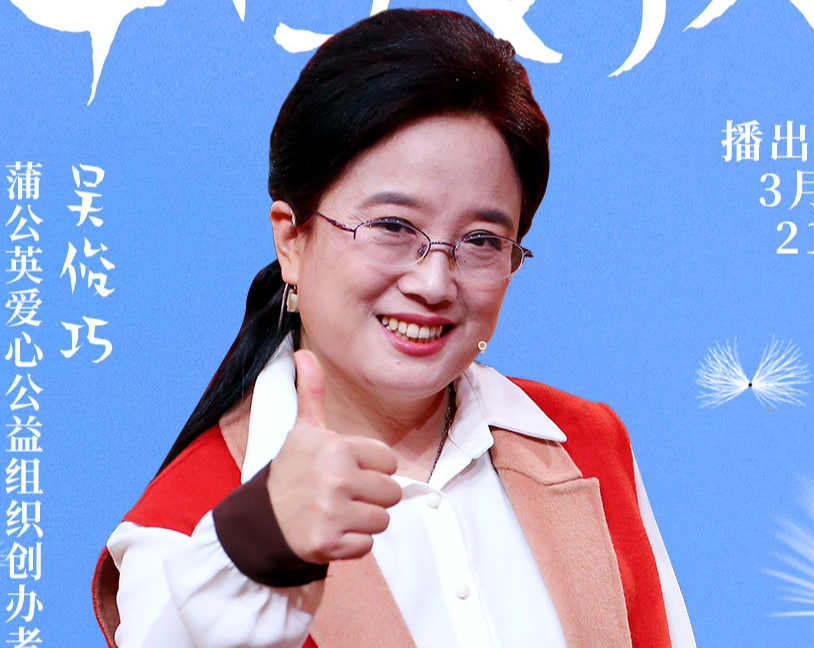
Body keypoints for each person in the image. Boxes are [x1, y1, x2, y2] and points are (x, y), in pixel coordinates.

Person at [92, 9, 695, 648]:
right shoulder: (188, 520)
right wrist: (250, 554)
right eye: (392, 227)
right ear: (291, 238)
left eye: (481, 240)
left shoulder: (588, 449)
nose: (434, 283)